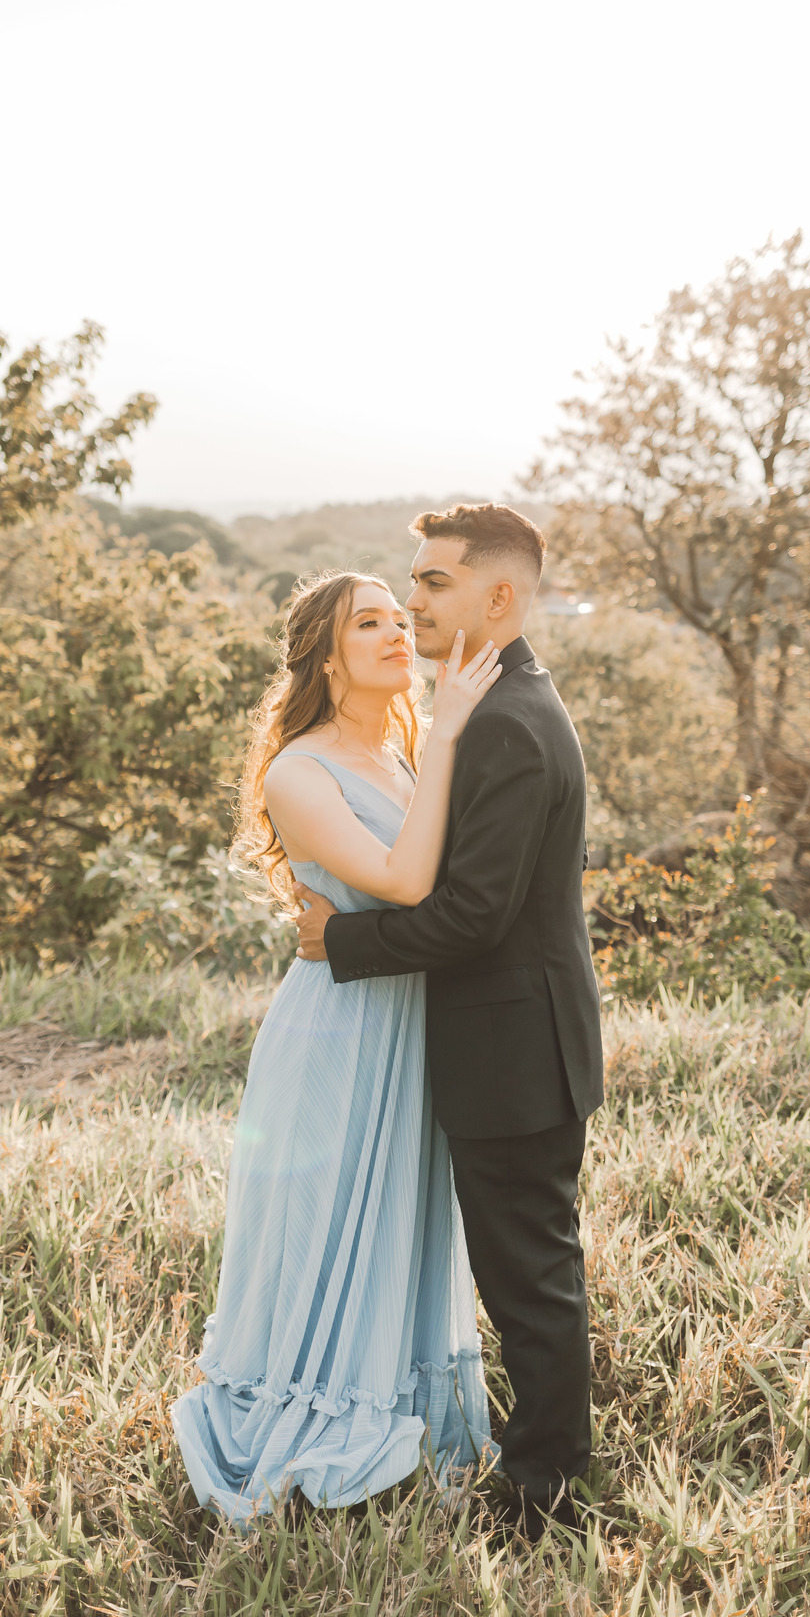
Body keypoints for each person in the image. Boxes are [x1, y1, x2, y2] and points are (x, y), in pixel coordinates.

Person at [293, 503, 604, 1536]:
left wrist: (342, 940)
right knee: (530, 1269)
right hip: (511, 1042)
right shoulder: (496, 702)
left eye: (433, 583)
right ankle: (538, 1462)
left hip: (514, 1051)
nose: (413, 602)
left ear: (497, 596)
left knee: (530, 1280)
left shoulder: (507, 721)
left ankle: (546, 1492)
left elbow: (473, 915)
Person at [172, 569, 503, 1523]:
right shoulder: (299, 770)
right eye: (370, 624)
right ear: (325, 656)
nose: (398, 633)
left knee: (400, 1215)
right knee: (324, 1223)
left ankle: (398, 1405)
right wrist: (451, 730)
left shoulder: (400, 754)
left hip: (416, 1024)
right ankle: (309, 1412)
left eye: (401, 618)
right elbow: (405, 883)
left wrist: (437, 741)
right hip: (340, 1027)